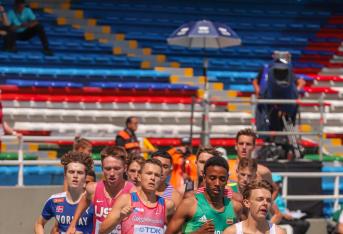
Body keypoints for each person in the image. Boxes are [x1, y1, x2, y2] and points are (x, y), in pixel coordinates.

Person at [66, 146, 135, 234]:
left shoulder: (133, 192)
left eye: (117, 168)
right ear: (102, 168)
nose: (112, 173)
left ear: (125, 168)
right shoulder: (93, 189)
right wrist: (73, 224)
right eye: (108, 168)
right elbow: (85, 199)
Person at [99, 158, 175, 234]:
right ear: (139, 177)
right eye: (149, 173)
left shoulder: (167, 205)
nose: (153, 178)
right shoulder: (126, 199)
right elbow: (102, 231)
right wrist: (120, 217)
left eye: (157, 175)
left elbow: (176, 230)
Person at [166, 156, 237, 234]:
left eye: (222, 179)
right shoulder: (189, 204)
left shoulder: (235, 207)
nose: (217, 183)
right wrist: (198, 233)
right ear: (204, 178)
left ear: (227, 180)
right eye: (212, 178)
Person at [34, 151, 94, 234]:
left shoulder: (93, 202)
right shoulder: (54, 200)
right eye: (71, 172)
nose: (75, 176)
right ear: (65, 175)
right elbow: (39, 223)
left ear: (85, 177)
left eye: (80, 173)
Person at [228, 128, 277, 199]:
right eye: (241, 144)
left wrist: (267, 204)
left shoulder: (263, 171)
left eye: (248, 144)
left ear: (254, 146)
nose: (244, 147)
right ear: (236, 145)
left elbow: (274, 189)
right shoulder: (226, 167)